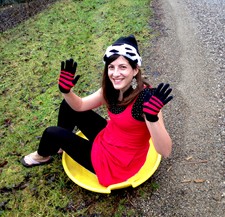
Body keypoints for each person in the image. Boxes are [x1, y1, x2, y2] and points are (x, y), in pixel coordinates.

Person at [21, 35, 173, 187]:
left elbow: (165, 150)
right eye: (111, 67)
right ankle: (60, 146)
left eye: (123, 67)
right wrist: (66, 91)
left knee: (51, 133)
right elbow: (79, 106)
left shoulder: (146, 101)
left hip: (117, 163)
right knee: (67, 105)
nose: (115, 73)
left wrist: (152, 119)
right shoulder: (111, 89)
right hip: (109, 136)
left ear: (135, 70)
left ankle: (42, 156)